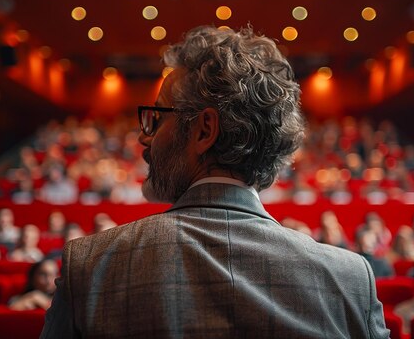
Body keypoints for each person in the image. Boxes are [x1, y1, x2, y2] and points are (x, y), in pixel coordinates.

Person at [41, 26, 389, 338]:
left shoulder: (91, 266)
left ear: (205, 130)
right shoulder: (350, 280)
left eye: (156, 118)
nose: (144, 139)